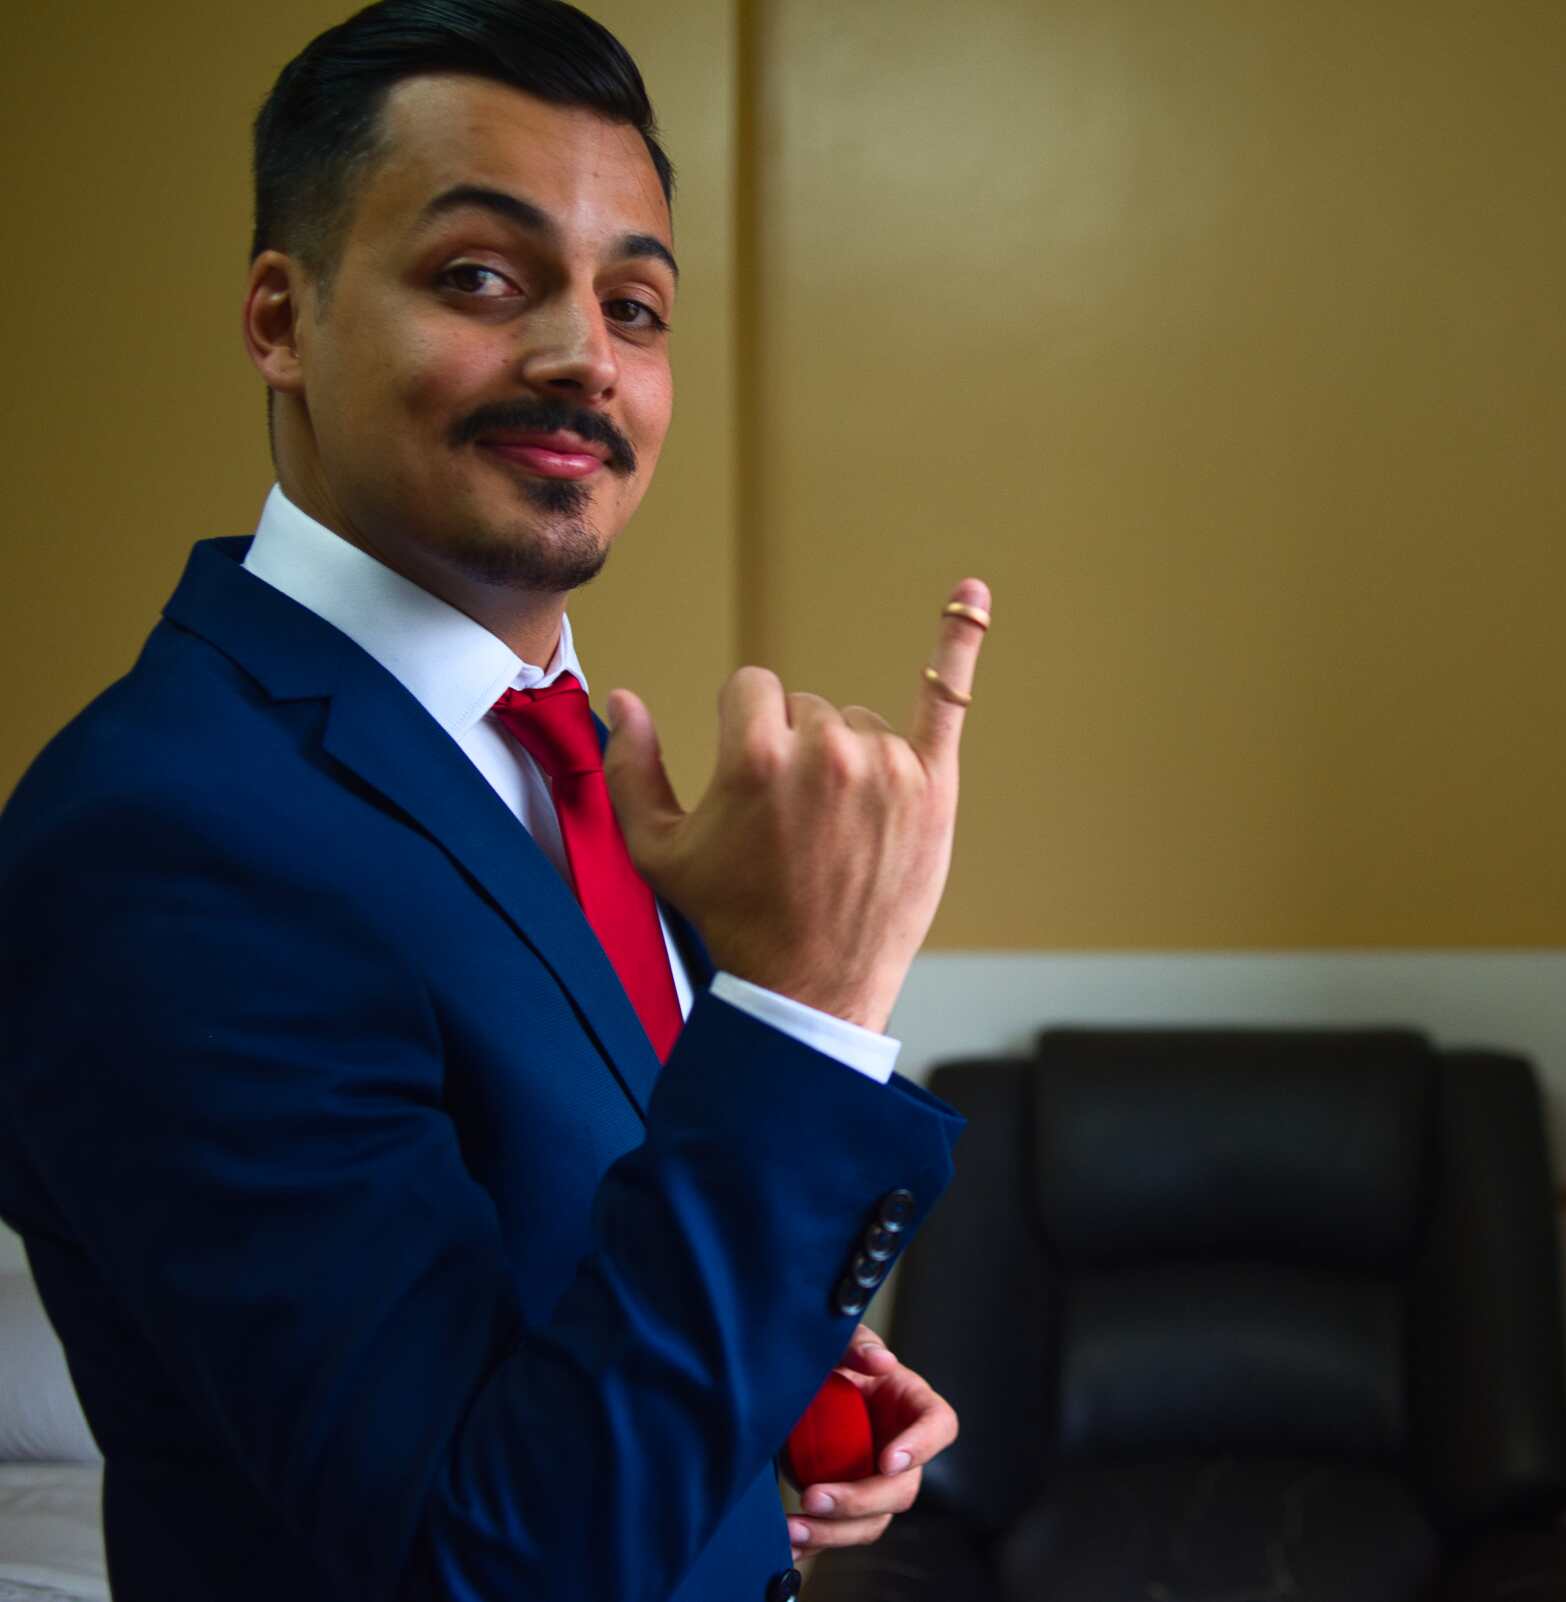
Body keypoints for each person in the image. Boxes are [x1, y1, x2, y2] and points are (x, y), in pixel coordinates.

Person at [0, 3, 989, 1598]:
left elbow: (588, 1279)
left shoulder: (580, 764)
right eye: (480, 277)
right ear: (280, 315)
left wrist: (784, 1376)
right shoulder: (159, 835)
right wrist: (815, 999)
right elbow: (486, 1564)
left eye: (638, 306)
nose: (582, 357)